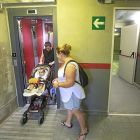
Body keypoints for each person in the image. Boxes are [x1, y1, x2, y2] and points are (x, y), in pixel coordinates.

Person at [53, 44, 89, 140]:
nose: (57, 57)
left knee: (76, 111)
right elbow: (66, 77)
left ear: (61, 54)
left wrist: (58, 84)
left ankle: (84, 130)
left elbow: (70, 83)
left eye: (57, 54)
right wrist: (59, 79)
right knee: (70, 108)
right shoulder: (67, 62)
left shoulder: (70, 65)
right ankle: (68, 122)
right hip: (68, 93)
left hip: (72, 93)